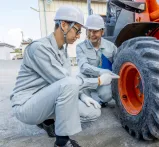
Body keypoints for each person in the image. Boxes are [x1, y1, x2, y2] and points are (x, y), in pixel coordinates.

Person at [10, 6, 119, 147]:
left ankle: (48, 121)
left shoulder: (63, 51)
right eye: (78, 30)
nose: (79, 35)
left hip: (47, 99)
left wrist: (82, 96)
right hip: (26, 105)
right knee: (68, 84)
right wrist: (98, 80)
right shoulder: (39, 48)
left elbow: (68, 80)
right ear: (63, 25)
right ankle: (62, 141)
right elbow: (65, 81)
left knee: (93, 112)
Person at [76, 14, 117, 107]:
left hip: (104, 81)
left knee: (107, 95)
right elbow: (83, 67)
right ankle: (86, 97)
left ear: (102, 31)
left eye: (95, 31)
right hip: (88, 79)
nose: (91, 34)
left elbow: (119, 64)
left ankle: (102, 99)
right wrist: (101, 71)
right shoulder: (80, 47)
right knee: (78, 81)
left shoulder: (111, 47)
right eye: (89, 31)